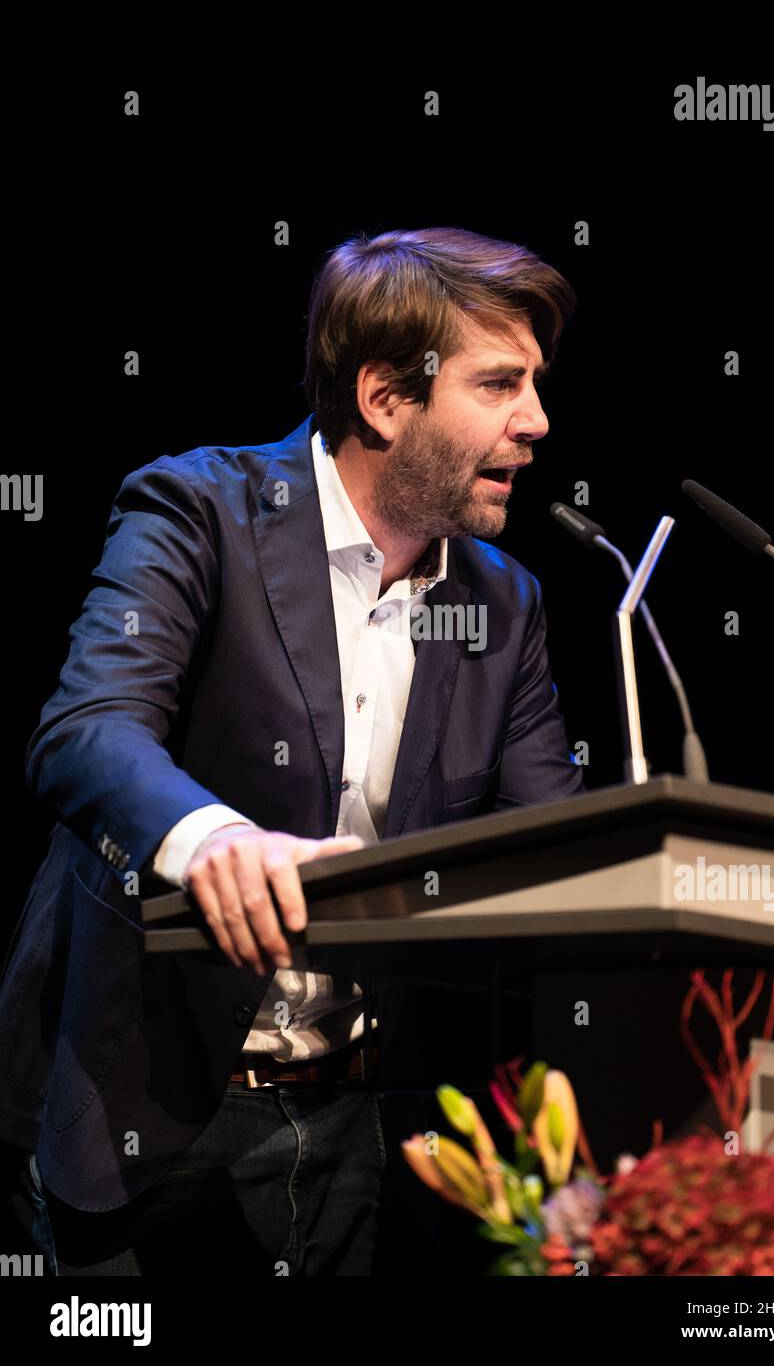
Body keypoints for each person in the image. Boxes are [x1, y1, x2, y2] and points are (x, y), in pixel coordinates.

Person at [0, 226, 586, 1275]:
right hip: (148, 1111)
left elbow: (549, 861)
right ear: (383, 397)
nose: (536, 423)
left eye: (534, 384)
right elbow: (86, 730)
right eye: (499, 383)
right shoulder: (196, 512)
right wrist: (210, 838)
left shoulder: (504, 602)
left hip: (363, 1121)